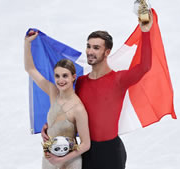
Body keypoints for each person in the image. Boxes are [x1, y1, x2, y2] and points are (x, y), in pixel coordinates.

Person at [42, 12, 153, 169]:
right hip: (87, 151)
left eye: (96, 48)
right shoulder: (80, 82)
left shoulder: (118, 80)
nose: (90, 51)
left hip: (112, 152)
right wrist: (51, 124)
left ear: (107, 52)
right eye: (88, 46)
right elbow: (67, 108)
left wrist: (146, 32)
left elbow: (145, 66)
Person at [24, 31, 91, 169]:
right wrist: (27, 43)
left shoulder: (78, 108)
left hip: (71, 161)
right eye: (57, 76)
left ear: (73, 77)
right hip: (50, 157)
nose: (60, 80)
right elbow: (30, 69)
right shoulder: (52, 91)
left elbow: (86, 144)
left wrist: (62, 160)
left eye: (65, 76)